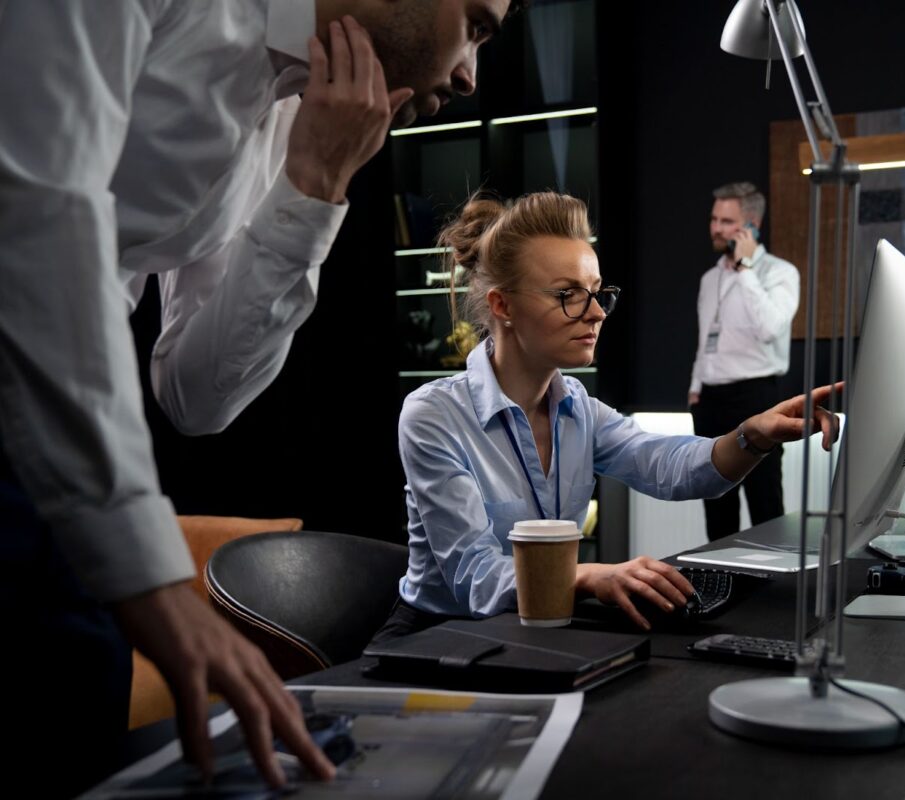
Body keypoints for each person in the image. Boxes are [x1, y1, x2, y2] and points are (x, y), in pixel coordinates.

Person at [0, 1, 519, 794]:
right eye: (476, 27)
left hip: (53, 466)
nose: (468, 75)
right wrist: (150, 575)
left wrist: (315, 186)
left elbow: (195, 394)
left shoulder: (290, 117)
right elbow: (32, 220)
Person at [370, 192, 838, 641]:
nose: (596, 314)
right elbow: (475, 577)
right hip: (436, 636)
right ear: (502, 305)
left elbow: (670, 466)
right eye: (567, 294)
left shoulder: (578, 408)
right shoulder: (434, 414)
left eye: (597, 293)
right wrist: (591, 576)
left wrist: (751, 435)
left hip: (537, 626)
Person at [688, 181, 801, 541]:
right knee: (716, 504)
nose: (715, 228)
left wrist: (747, 267)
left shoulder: (780, 273)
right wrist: (695, 389)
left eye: (726, 221)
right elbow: (706, 337)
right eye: (713, 218)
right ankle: (720, 586)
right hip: (710, 399)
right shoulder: (709, 279)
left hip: (756, 396)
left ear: (750, 226)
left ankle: (773, 590)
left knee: (765, 502)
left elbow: (770, 328)